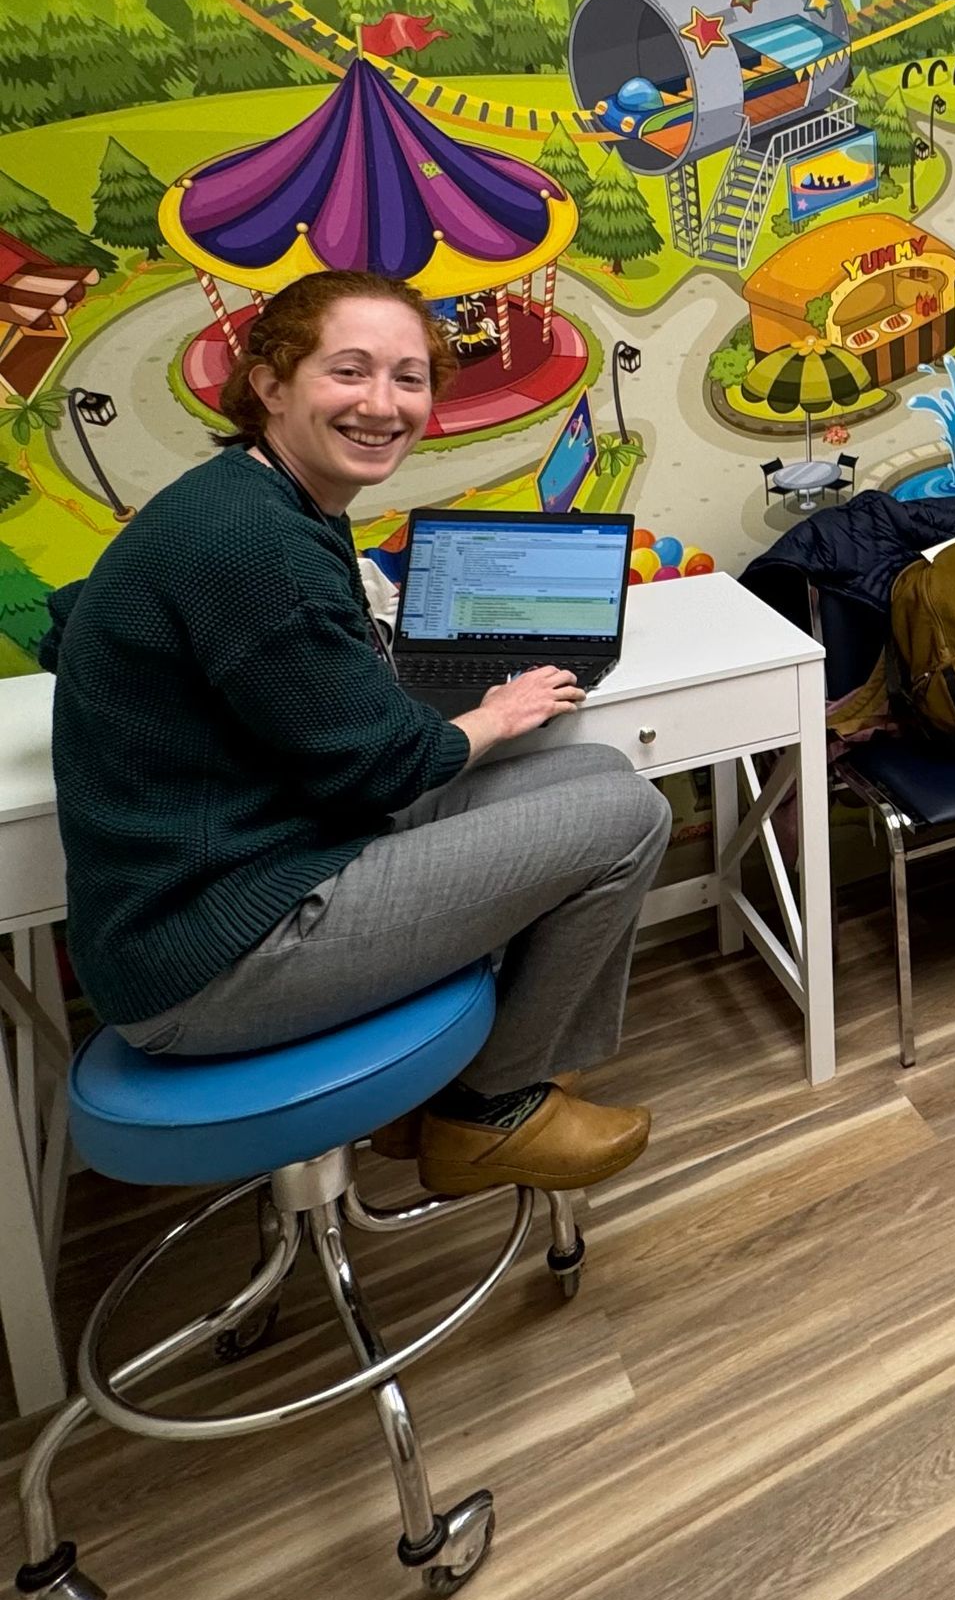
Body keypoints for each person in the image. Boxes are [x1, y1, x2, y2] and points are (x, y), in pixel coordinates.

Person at [42, 272, 671, 1197]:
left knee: (602, 770)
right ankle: (490, 1109)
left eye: (409, 378)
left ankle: (475, 1083)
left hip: (262, 864)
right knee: (628, 815)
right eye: (351, 371)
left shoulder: (260, 501)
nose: (383, 404)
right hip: (214, 955)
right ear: (270, 385)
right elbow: (383, 770)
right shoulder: (255, 542)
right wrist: (494, 713)